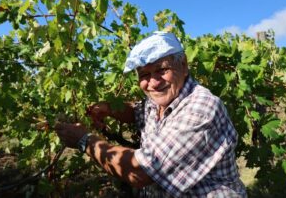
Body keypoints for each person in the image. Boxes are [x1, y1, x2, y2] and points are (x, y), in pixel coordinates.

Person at [55, 31, 247, 197]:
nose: (153, 83)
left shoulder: (201, 108)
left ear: (184, 65)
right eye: (144, 75)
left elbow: (139, 172)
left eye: (162, 70)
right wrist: (108, 108)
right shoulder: (160, 100)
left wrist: (84, 140)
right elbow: (138, 111)